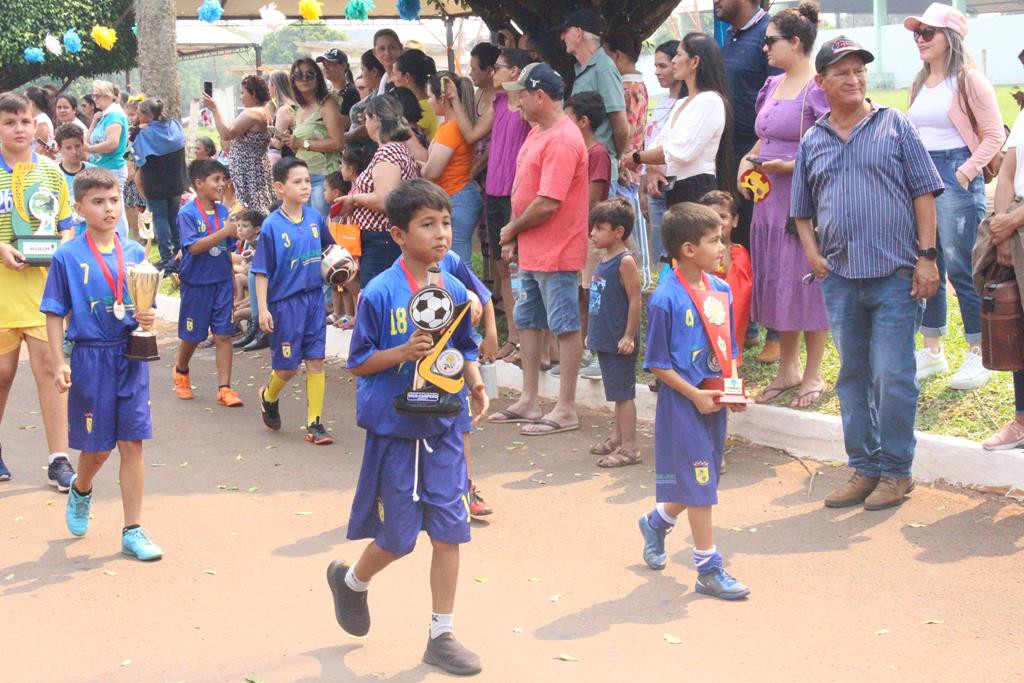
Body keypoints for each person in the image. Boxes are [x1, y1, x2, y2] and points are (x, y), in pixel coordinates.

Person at [327, 179, 487, 677]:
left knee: (450, 530)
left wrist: (475, 376)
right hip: (396, 427)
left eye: (446, 223)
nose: (441, 234)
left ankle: (442, 634)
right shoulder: (379, 291)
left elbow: (465, 343)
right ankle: (352, 581)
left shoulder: (455, 288)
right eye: (428, 225)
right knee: (398, 538)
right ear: (398, 234)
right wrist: (401, 353)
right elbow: (359, 362)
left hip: (443, 423)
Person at [791, 37, 944, 511]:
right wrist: (814, 255)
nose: (854, 79)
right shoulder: (812, 139)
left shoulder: (894, 125)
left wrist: (928, 256)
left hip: (897, 275)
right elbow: (801, 211)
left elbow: (924, 192)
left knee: (892, 375)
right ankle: (865, 468)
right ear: (821, 83)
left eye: (859, 71)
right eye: (842, 72)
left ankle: (897, 472)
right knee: (853, 377)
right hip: (839, 280)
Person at [40, 167, 162, 560]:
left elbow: (146, 301)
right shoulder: (67, 256)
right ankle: (81, 488)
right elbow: (55, 312)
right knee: (98, 450)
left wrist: (147, 317)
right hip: (91, 356)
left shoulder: (135, 252)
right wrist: (59, 361)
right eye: (98, 202)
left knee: (132, 442)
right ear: (79, 208)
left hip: (129, 354)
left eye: (113, 200)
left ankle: (133, 529)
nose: (109, 209)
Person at [638, 202, 749, 600]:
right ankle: (708, 568)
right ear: (688, 249)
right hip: (683, 403)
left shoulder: (720, 290)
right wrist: (695, 394)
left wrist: (732, 386)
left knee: (704, 478)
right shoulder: (665, 299)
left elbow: (728, 347)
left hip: (714, 398)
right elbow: (657, 364)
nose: (722, 247)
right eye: (714, 240)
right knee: (702, 482)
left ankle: (657, 520)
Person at [906, 3, 1005, 391]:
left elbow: (995, 135)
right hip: (921, 176)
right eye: (917, 33)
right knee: (928, 262)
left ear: (950, 38)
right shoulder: (919, 81)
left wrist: (964, 173)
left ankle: (979, 353)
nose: (920, 39)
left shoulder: (968, 80)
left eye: (928, 33)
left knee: (963, 268)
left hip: (955, 172)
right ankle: (933, 350)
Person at [737, 2, 830, 408]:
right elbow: (764, 135)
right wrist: (748, 158)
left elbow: (830, 147)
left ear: (796, 42)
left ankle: (814, 374)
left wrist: (787, 165)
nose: (765, 48)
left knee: (806, 281)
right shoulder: (773, 84)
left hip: (801, 202)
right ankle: (787, 368)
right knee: (778, 279)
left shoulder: (818, 88)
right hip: (768, 201)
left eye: (771, 41)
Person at [489, 64, 588, 436]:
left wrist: (512, 229)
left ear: (540, 95)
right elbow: (525, 189)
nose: (518, 101)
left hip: (557, 249)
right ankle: (530, 400)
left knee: (563, 325)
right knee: (529, 321)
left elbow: (549, 201)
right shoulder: (538, 132)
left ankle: (565, 408)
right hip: (533, 248)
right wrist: (515, 235)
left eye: (522, 94)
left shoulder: (562, 139)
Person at [0, 92, 74, 488]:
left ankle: (59, 458)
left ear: (35, 125)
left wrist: (60, 249)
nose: (18, 129)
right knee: (2, 373)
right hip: (0, 290)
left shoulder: (51, 172)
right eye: (9, 122)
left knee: (50, 370)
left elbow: (66, 224)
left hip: (42, 292)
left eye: (24, 122)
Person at [252, 157, 336, 445]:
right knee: (287, 367)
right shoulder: (271, 227)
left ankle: (315, 424)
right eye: (297, 182)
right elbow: (260, 271)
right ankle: (269, 395)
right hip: (285, 305)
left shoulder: (314, 218)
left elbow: (330, 249)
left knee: (316, 360)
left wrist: (342, 266)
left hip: (313, 300)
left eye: (306, 181)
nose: (304, 187)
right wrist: (262, 309)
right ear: (280, 187)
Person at [623, 33, 732, 209]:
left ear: (695, 62)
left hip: (697, 188)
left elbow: (681, 151)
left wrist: (638, 157)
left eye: (679, 55)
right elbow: (659, 142)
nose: (674, 60)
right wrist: (649, 163)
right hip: (675, 188)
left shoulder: (709, 100)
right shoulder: (682, 102)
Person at [171, 159, 244, 407]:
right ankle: (181, 370)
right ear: (199, 184)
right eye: (216, 179)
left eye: (224, 179)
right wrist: (225, 232)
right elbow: (195, 247)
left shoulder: (224, 212)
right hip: (196, 283)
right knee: (192, 335)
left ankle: (225, 388)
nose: (222, 184)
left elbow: (226, 250)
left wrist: (233, 278)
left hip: (222, 282)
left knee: (224, 334)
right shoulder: (187, 213)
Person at [978, 65, 1024, 450]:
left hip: (1017, 220)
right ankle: (1022, 419)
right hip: (1014, 224)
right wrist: (1003, 225)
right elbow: (1007, 172)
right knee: (1016, 320)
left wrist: (1010, 221)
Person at [480, 48, 534, 364]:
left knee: (521, 268)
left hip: (517, 195)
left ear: (515, 71)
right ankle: (513, 337)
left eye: (498, 67)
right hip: (494, 192)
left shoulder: (527, 106)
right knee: (503, 266)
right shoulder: (499, 102)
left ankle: (529, 342)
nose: (492, 72)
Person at [335, 94, 420, 287]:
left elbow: (385, 199)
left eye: (366, 118)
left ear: (376, 120)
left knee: (377, 299)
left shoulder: (388, 152)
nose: (365, 123)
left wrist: (354, 199)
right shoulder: (398, 149)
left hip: (381, 240)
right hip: (385, 239)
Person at [586, 198, 642, 467]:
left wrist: (629, 335)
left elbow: (635, 300)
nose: (592, 234)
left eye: (599, 228)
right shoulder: (604, 259)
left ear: (618, 232)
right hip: (606, 337)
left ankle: (630, 448)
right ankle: (617, 438)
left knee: (623, 394)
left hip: (621, 339)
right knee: (616, 392)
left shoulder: (624, 261)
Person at [565, 90, 612, 382]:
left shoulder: (598, 154)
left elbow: (593, 200)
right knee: (581, 294)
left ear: (583, 121)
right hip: (578, 232)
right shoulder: (580, 152)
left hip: (592, 234)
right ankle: (584, 348)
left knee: (594, 294)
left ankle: (598, 351)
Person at [558, 10, 628, 182]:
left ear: (579, 33)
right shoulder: (584, 69)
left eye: (566, 31)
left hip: (599, 170)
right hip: (585, 167)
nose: (562, 37)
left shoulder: (604, 67)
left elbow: (621, 126)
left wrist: (615, 159)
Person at [422, 72, 482, 265]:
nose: (428, 102)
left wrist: (422, 169)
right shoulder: (449, 125)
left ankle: (468, 296)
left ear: (442, 98)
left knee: (459, 264)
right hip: (458, 196)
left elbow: (431, 172)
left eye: (430, 96)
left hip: (458, 198)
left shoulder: (451, 128)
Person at [278, 59, 344, 218]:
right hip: (303, 177)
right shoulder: (299, 109)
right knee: (307, 227)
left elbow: (339, 142)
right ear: (292, 81)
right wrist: (294, 144)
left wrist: (303, 143)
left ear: (318, 78)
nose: (304, 79)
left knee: (322, 228)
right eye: (299, 75)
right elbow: (304, 146)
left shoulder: (327, 104)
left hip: (324, 177)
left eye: (310, 74)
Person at [204, 74, 275, 216]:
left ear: (253, 93)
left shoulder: (253, 113)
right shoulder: (263, 112)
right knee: (255, 206)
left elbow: (227, 133)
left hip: (250, 171)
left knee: (254, 210)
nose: (241, 97)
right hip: (251, 168)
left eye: (243, 93)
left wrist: (215, 109)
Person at [133, 98, 187, 273]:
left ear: (149, 115)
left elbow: (136, 155)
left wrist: (137, 129)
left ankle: (166, 257)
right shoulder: (174, 125)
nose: (137, 116)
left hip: (156, 183)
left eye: (140, 113)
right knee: (174, 216)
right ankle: (181, 251)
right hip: (176, 180)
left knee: (161, 219)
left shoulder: (145, 134)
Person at [642, 40, 683, 265]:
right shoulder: (661, 103)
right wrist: (646, 177)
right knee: (660, 258)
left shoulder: (690, 103)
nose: (657, 72)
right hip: (654, 188)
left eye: (663, 66)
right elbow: (650, 143)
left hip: (677, 186)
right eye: (655, 66)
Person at [700, 191, 753, 360]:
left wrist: (722, 246)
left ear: (735, 220)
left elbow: (739, 287)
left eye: (722, 217)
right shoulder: (696, 251)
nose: (717, 222)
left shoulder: (738, 251)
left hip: (725, 312)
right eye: (710, 216)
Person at [84, 80, 129, 239]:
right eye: (93, 96)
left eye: (97, 96)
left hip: (112, 167)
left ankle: (121, 240)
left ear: (107, 96)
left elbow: (112, 143)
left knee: (116, 208)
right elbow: (86, 140)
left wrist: (89, 149)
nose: (94, 99)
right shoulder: (104, 116)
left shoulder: (115, 115)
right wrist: (94, 122)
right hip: (100, 166)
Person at [232, 209, 268, 351]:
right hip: (257, 283)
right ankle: (253, 327)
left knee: (254, 272)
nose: (240, 229)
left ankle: (257, 326)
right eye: (238, 225)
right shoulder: (249, 243)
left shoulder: (261, 241)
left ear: (257, 229)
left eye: (245, 226)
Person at [56, 123, 96, 235]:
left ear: (83, 145)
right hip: (65, 233)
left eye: (77, 146)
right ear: (59, 149)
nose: (74, 151)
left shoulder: (93, 172)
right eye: (68, 148)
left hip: (90, 233)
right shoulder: (54, 173)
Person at [393, 49, 439, 141]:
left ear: (407, 77)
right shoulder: (433, 103)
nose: (392, 80)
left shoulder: (418, 110)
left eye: (394, 75)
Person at [316, 48, 360, 133]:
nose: (325, 67)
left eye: (330, 63)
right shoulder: (327, 92)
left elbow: (343, 124)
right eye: (324, 64)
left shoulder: (350, 92)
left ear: (344, 66)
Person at [267, 70, 296, 166]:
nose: (268, 88)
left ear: (274, 86)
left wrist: (263, 135)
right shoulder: (294, 105)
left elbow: (278, 144)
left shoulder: (284, 110)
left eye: (269, 84)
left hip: (287, 161)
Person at [25, 86, 55, 155]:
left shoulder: (42, 121)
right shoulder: (36, 119)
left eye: (25, 99)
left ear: (32, 102)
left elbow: (40, 148)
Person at [372, 28, 404, 95]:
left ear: (401, 49)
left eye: (392, 47)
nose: (387, 53)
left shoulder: (406, 79)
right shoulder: (385, 78)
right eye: (382, 49)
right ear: (375, 53)